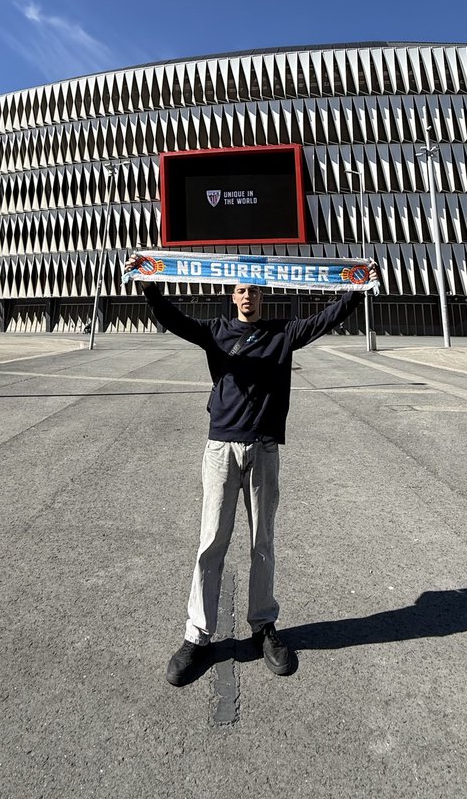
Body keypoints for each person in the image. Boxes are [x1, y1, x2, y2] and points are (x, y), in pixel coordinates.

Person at [124, 253, 378, 687]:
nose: (248, 296)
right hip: (221, 447)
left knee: (263, 543)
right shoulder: (217, 332)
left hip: (263, 450)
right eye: (242, 289)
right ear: (232, 294)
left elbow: (324, 319)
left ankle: (262, 627)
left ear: (263, 294)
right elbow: (173, 319)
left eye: (255, 290)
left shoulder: (282, 333)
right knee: (211, 543)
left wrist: (357, 289)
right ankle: (198, 636)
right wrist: (149, 285)